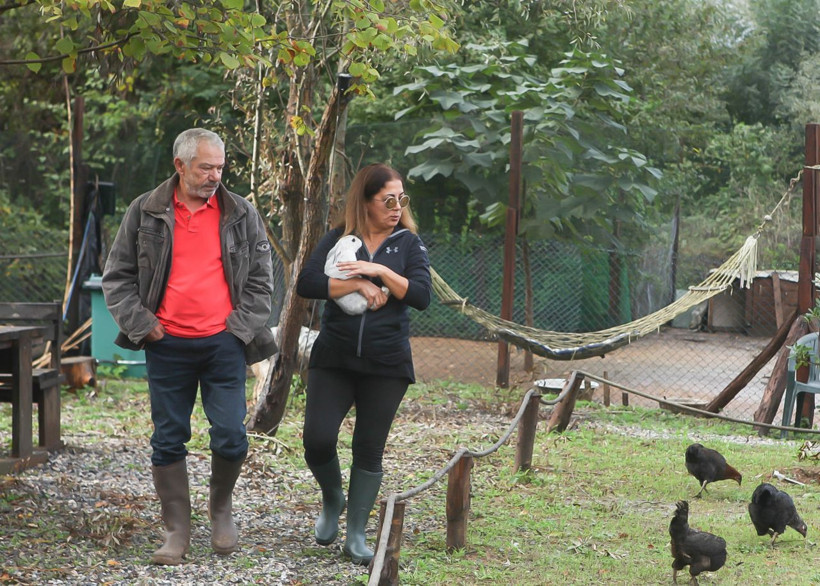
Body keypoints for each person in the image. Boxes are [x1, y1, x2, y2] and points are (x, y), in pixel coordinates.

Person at [101, 128, 276, 565]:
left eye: (220, 167)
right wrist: (145, 325)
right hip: (168, 344)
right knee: (168, 438)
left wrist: (237, 329)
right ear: (180, 166)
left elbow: (261, 280)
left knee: (233, 435)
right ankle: (176, 530)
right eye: (206, 167)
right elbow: (117, 277)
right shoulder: (145, 211)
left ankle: (221, 511)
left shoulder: (240, 212)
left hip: (225, 344)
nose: (215, 176)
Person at [296, 163, 432, 565]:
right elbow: (306, 283)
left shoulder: (408, 243)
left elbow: (421, 296)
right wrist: (355, 282)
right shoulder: (341, 238)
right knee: (316, 439)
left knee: (368, 450)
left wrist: (380, 271)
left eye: (401, 199)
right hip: (334, 358)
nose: (396, 206)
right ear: (366, 202)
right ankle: (332, 498)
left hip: (386, 364)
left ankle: (355, 533)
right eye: (387, 200)